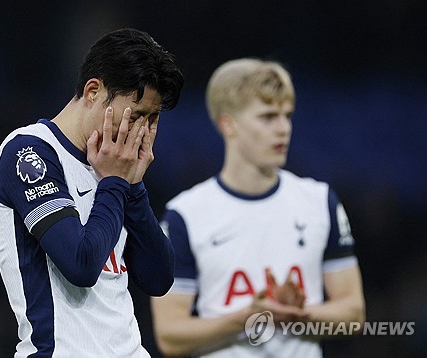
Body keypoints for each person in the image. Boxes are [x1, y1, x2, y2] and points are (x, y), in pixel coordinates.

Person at [0, 28, 183, 357]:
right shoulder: (29, 153)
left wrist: (133, 190)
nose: (141, 132)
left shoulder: (112, 168)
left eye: (152, 119)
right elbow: (80, 265)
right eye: (135, 116)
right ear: (93, 91)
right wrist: (117, 183)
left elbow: (158, 279)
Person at [151, 58, 365, 357]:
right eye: (267, 117)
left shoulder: (319, 201)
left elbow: (353, 315)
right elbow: (170, 336)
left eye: (287, 115)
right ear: (228, 124)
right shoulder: (185, 215)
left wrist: (299, 315)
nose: (283, 129)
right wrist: (245, 318)